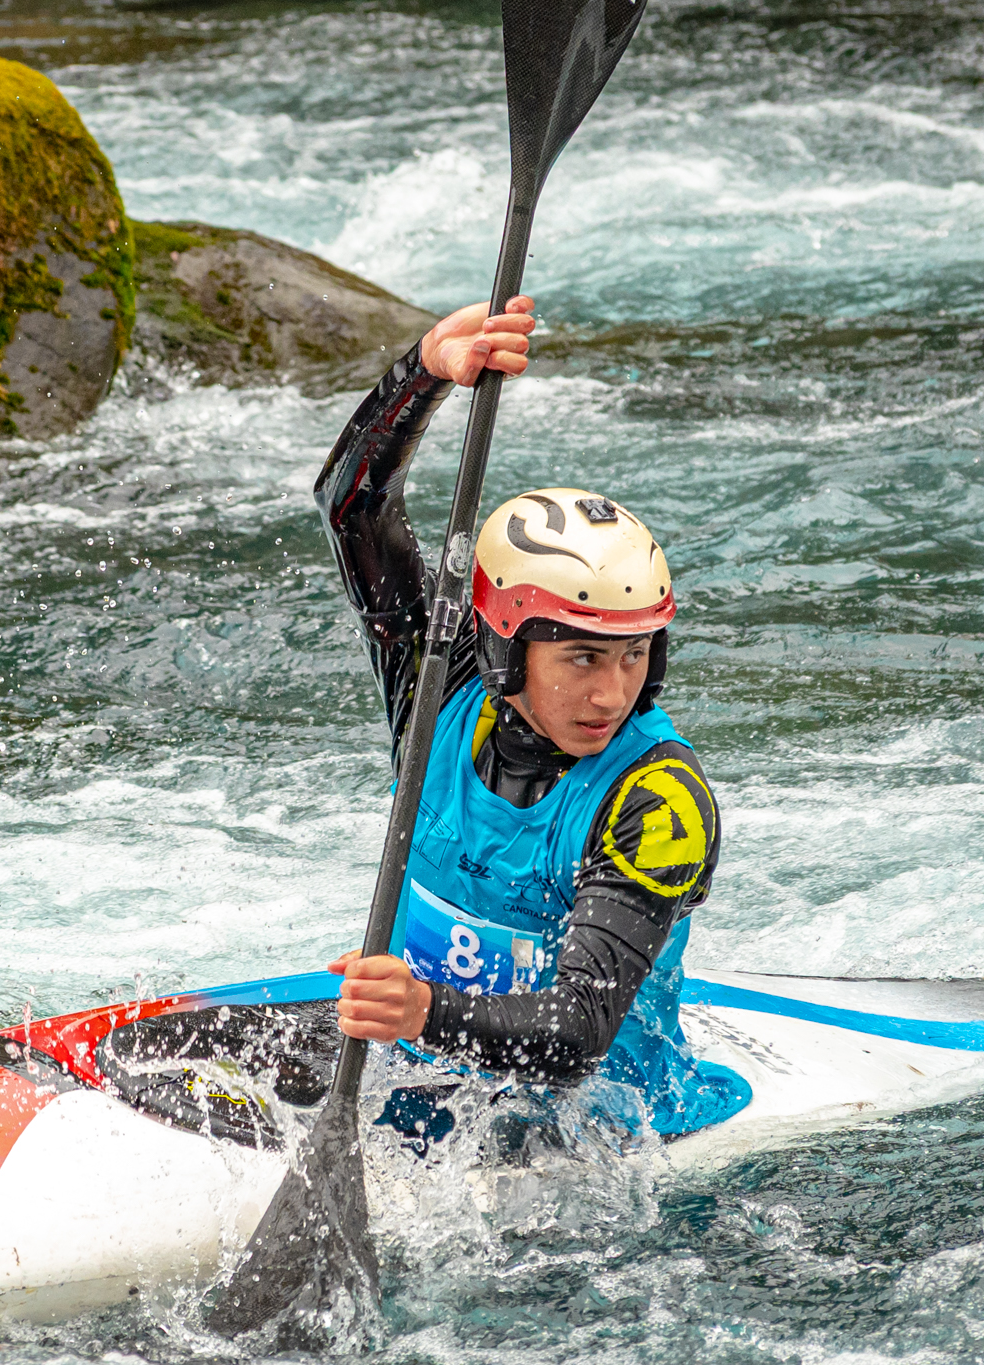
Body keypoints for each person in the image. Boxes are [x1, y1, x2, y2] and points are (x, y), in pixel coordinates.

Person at [311, 296, 750, 1138]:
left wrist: (422, 1008)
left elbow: (579, 1034)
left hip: (591, 1124)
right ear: (505, 646)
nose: (612, 692)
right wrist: (423, 370)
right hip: (412, 1060)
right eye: (582, 657)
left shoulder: (657, 800)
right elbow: (352, 508)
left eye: (634, 655)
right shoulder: (436, 686)